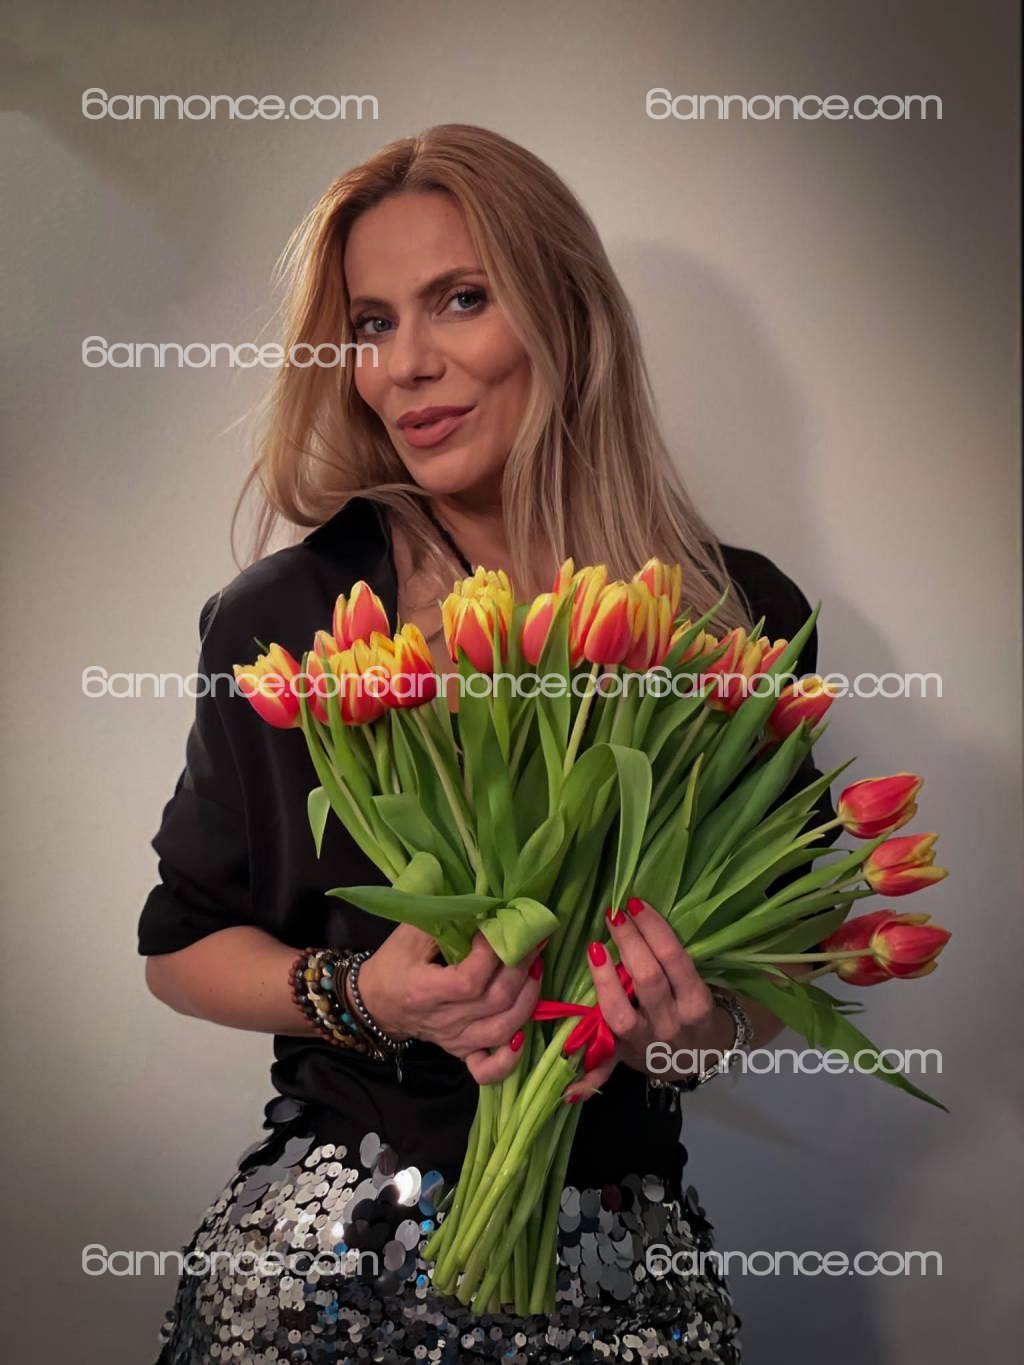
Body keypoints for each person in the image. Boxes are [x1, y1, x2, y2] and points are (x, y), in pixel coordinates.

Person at [140, 124, 839, 1364]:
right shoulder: (291, 619)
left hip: (624, 1279)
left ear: (567, 315)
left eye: (460, 299)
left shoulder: (739, 617)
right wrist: (361, 995)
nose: (407, 364)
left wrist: (692, 1033)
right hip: (326, 1280)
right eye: (371, 323)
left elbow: (787, 955)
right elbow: (180, 944)